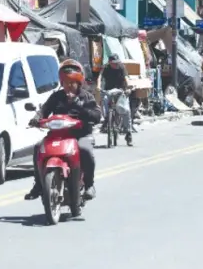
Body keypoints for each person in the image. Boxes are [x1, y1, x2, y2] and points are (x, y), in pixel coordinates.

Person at [25, 60, 101, 202]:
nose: (68, 86)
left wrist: (81, 108)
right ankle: (38, 185)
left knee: (85, 150)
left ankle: (90, 185)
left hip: (80, 134)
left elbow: (97, 115)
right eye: (65, 83)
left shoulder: (86, 97)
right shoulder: (57, 96)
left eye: (72, 83)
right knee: (37, 148)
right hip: (57, 135)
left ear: (79, 83)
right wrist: (36, 118)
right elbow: (44, 110)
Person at [100, 54, 132, 144]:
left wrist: (128, 87)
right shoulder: (105, 68)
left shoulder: (121, 67)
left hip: (121, 91)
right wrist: (98, 87)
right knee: (105, 101)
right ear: (109, 62)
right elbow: (100, 78)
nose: (116, 64)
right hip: (109, 91)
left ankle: (128, 133)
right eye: (114, 63)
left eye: (117, 62)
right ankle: (107, 119)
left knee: (126, 111)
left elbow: (126, 78)